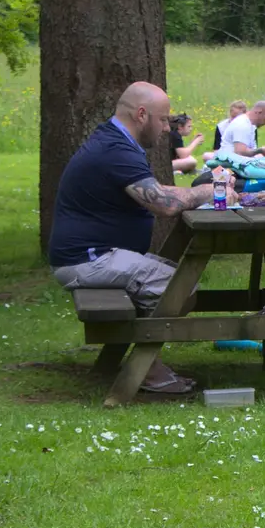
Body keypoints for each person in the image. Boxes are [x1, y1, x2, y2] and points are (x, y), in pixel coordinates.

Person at [48, 81, 214, 394]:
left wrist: (196, 191)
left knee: (175, 280)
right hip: (89, 260)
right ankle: (146, 368)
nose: (167, 128)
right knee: (182, 287)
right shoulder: (116, 150)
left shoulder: (114, 140)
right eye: (164, 120)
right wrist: (208, 190)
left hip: (92, 255)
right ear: (141, 114)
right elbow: (164, 204)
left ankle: (146, 363)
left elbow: (159, 192)